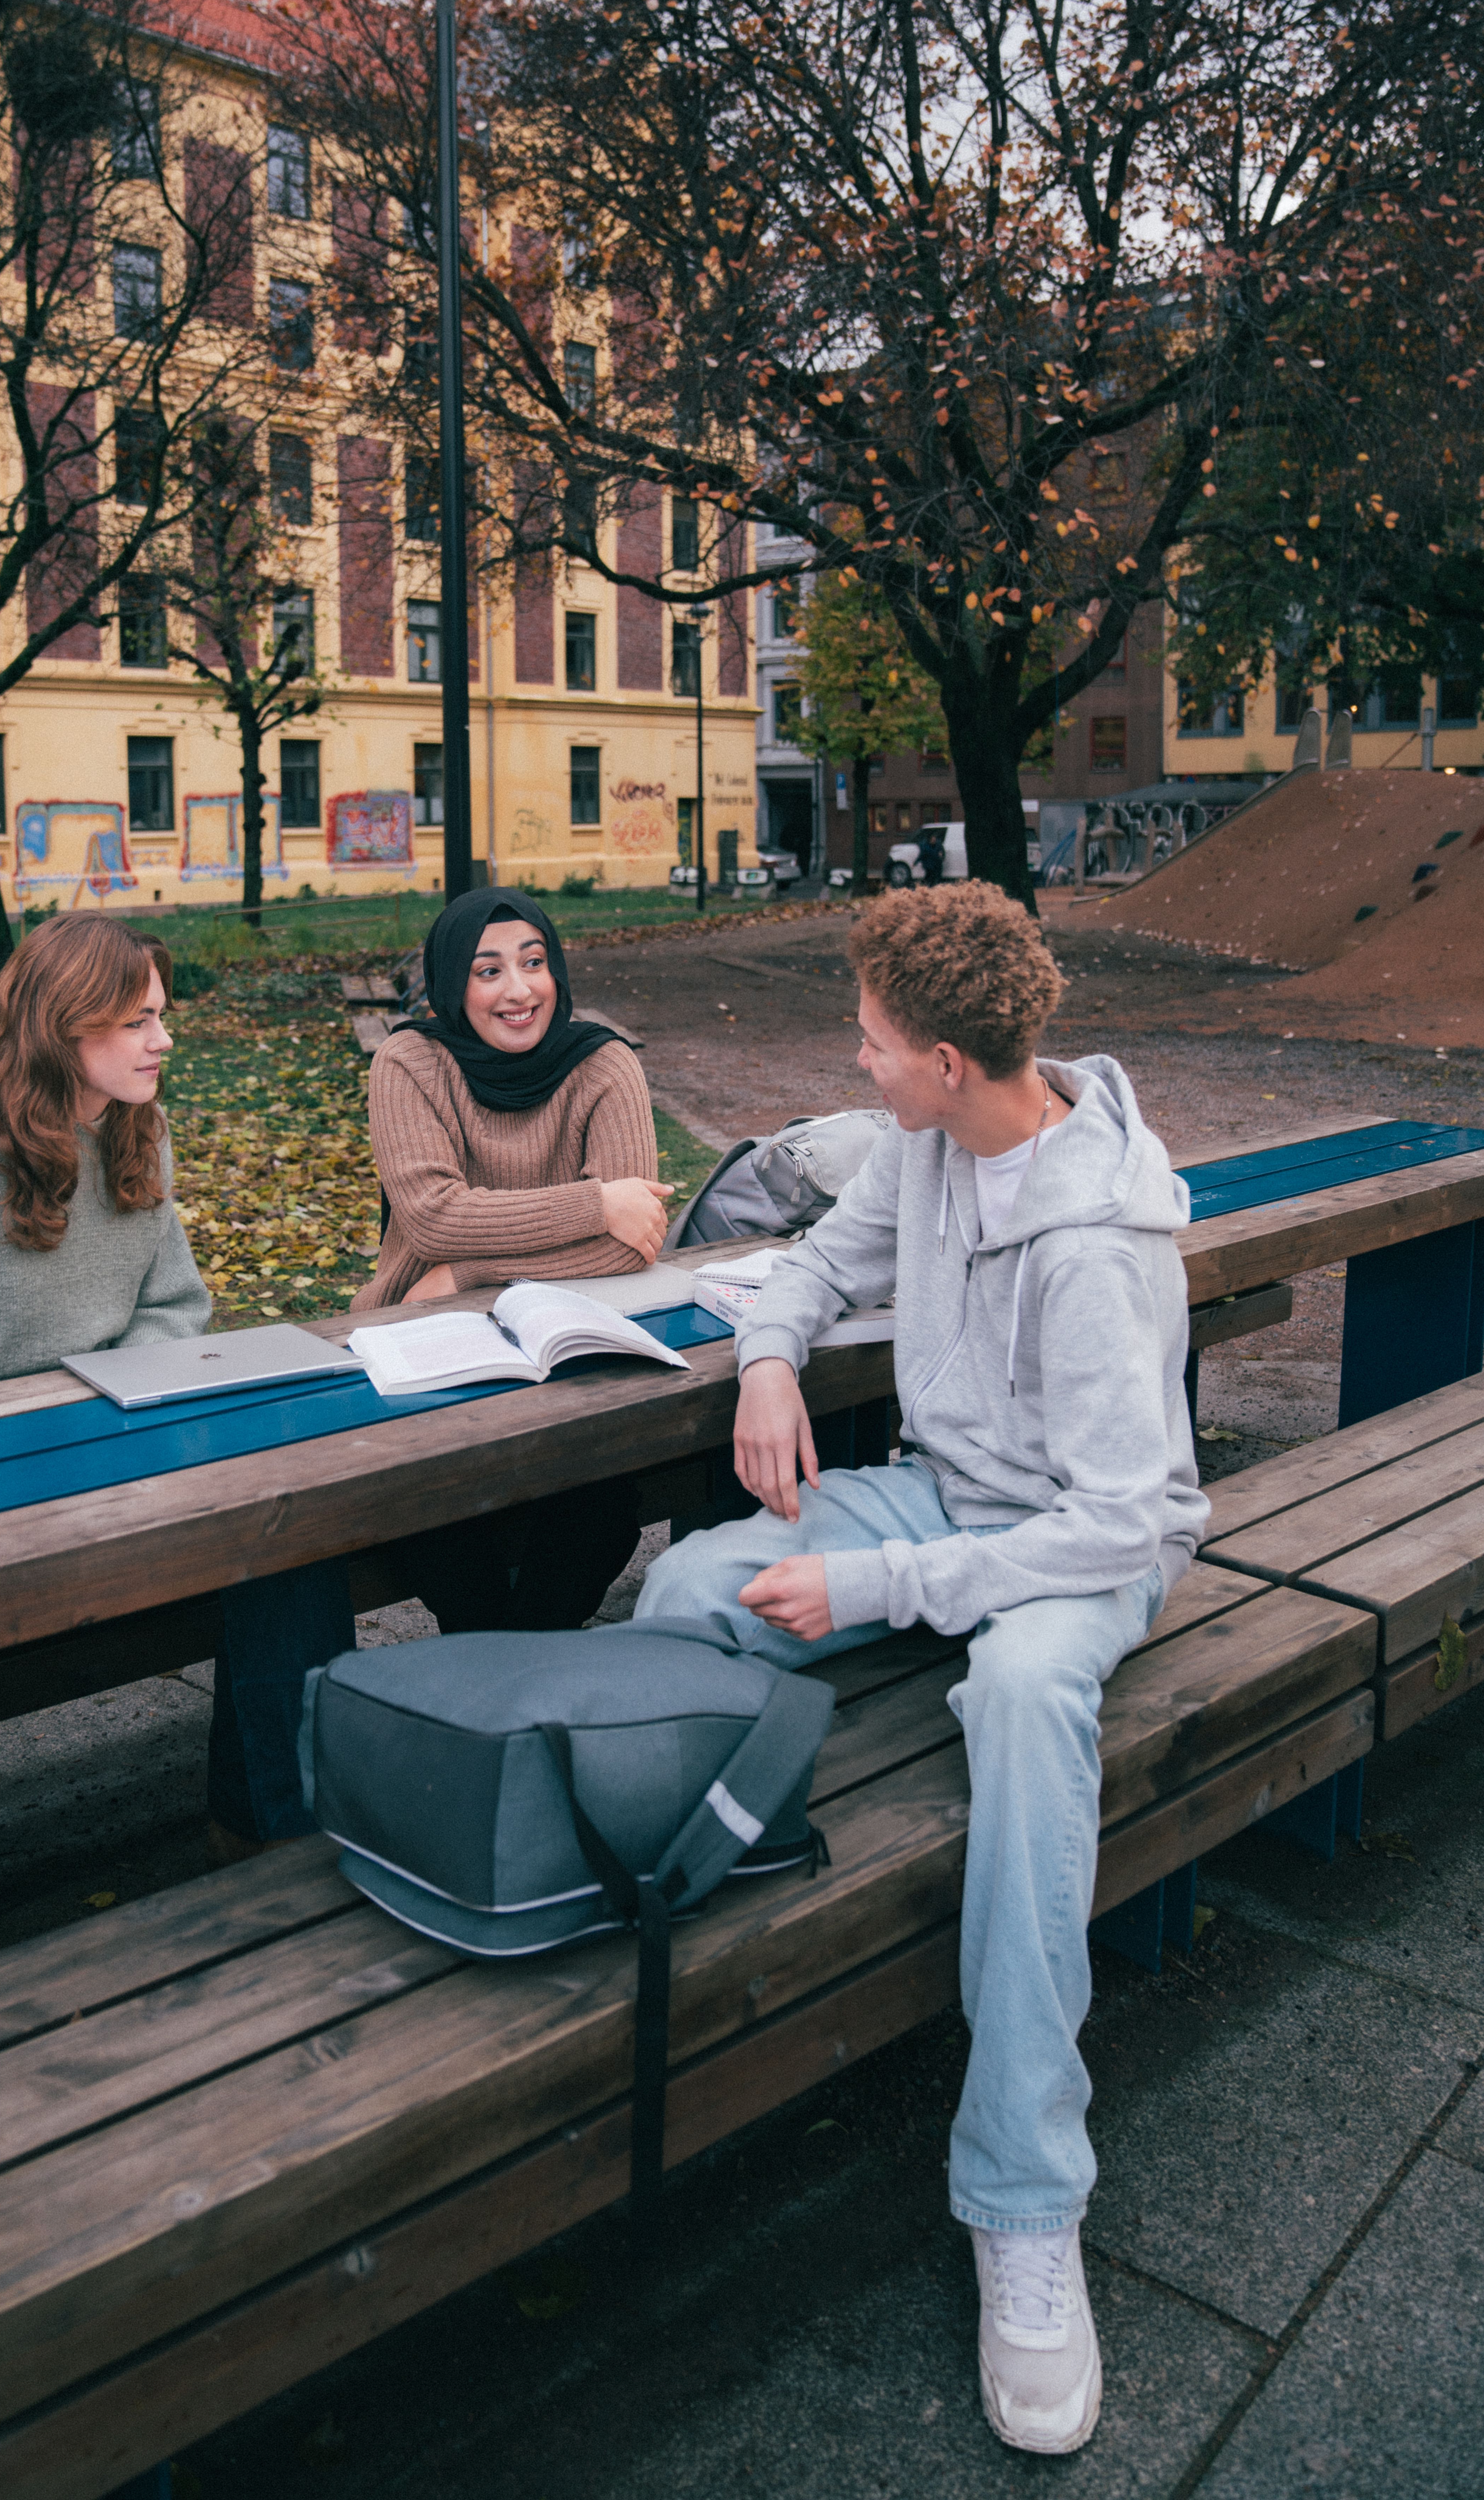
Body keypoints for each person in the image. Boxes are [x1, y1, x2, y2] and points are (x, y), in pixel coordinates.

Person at [633, 882, 1206, 2457]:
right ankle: (685, 1911)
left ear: (949, 1057)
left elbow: (1109, 1525)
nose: (857, 1059)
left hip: (1078, 1552)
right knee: (693, 1576)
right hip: (951, 1496)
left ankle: (1025, 2200)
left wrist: (881, 1579)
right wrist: (764, 1362)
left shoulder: (1096, 1242)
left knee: (1022, 1696)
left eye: (874, 1041)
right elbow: (812, 1266)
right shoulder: (931, 1144)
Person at [0, 912, 353, 1867]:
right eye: (136, 1022)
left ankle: (275, 1836)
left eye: (160, 1016)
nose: (163, 1040)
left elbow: (175, 1306)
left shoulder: (138, 1132)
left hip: (117, 1450)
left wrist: (113, 1405)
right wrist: (48, 1438)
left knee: (292, 1529)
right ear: (62, 1028)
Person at [355, 885, 674, 1631]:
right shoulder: (409, 1063)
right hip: (419, 1334)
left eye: (534, 963)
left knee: (598, 1507)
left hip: (564, 1343)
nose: (519, 989)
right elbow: (434, 1217)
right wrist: (595, 1203)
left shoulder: (603, 1064)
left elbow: (634, 1241)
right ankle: (496, 1660)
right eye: (487, 970)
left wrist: (471, 1272)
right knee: (438, 1510)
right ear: (450, 986)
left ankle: (515, 1662)